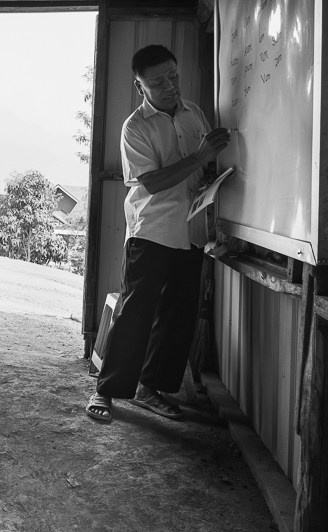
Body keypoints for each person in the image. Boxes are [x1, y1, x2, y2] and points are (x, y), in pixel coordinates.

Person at [85, 45, 231, 422]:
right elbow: (151, 182)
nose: (170, 86)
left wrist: (211, 176)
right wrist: (199, 158)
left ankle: (151, 390)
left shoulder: (193, 114)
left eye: (173, 76)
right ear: (140, 86)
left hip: (191, 231)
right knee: (135, 313)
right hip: (151, 231)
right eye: (158, 81)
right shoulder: (135, 127)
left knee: (177, 316)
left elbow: (201, 171)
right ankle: (106, 390)